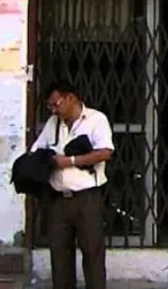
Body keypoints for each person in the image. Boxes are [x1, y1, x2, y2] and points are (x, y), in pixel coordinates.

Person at [30, 80, 114, 289]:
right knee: (60, 256)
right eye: (50, 106)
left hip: (86, 197)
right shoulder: (53, 124)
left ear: (70, 98)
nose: (53, 110)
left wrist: (71, 161)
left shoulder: (96, 120)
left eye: (56, 104)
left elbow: (105, 152)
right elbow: (36, 151)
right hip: (58, 198)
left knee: (92, 253)